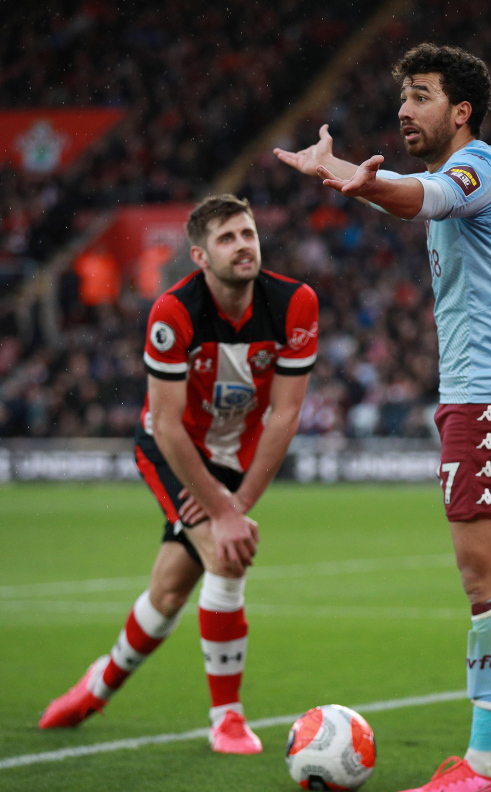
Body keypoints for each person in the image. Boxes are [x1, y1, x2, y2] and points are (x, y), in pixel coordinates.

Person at [275, 43, 491, 792]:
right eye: (403, 96)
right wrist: (339, 173)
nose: (404, 108)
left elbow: (418, 198)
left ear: (460, 111)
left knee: (484, 578)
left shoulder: (483, 167)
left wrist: (359, 183)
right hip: (483, 395)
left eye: (422, 95)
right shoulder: (454, 175)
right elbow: (409, 192)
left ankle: (488, 764)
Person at [39, 194, 319, 754]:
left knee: (168, 592)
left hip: (235, 458)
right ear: (199, 255)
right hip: (174, 453)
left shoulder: (295, 303)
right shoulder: (173, 312)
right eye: (226, 238)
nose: (243, 245)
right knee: (226, 552)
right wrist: (219, 511)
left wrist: (233, 505)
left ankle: (97, 686)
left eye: (248, 233)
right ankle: (228, 720)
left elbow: (285, 416)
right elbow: (165, 427)